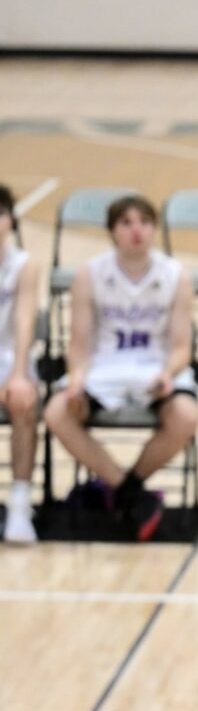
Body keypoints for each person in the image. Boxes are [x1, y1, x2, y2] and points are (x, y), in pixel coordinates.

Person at [44, 195, 198, 542]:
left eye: (144, 222)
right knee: (57, 412)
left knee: (187, 416)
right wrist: (77, 379)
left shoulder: (176, 276)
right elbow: (79, 343)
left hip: (155, 368)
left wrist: (167, 374)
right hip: (105, 368)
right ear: (112, 231)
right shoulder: (90, 274)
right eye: (127, 223)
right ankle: (129, 492)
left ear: (154, 230)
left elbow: (180, 347)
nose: (137, 230)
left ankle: (126, 489)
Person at [0, 185, 41, 543]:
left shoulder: (23, 265)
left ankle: (19, 503)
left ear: (11, 221)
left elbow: (24, 323)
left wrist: (18, 374)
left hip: (8, 356)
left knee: (23, 399)